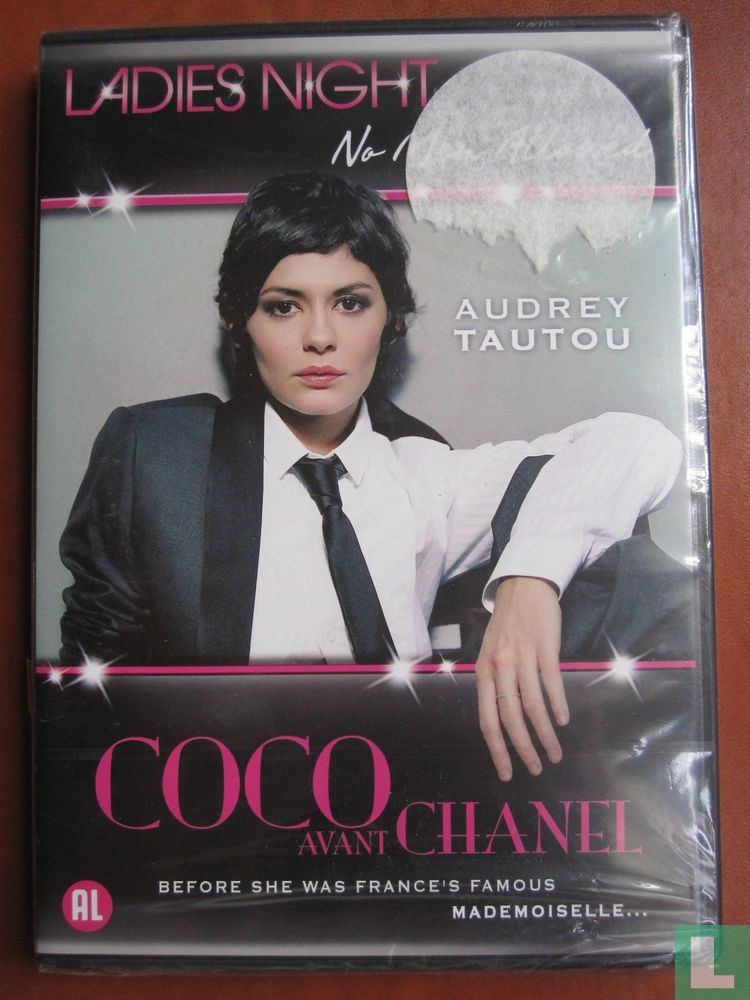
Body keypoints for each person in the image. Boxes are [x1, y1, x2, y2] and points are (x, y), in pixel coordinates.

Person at [59, 172, 684, 782]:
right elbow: (91, 698)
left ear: (392, 319)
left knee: (641, 578)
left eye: (350, 303)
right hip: (217, 808)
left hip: (403, 809)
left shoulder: (421, 471)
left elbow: (638, 443)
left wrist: (530, 582)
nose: (320, 338)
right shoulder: (157, 455)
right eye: (283, 307)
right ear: (238, 318)